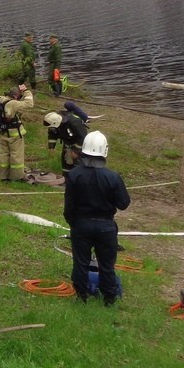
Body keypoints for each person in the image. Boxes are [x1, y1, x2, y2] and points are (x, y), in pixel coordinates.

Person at [63, 131, 131, 306]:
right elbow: (123, 203)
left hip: (81, 224)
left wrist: (75, 223)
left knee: (80, 262)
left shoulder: (74, 175)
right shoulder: (113, 177)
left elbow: (69, 206)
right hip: (105, 227)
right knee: (107, 265)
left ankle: (81, 296)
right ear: (104, 152)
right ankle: (109, 299)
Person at [0, 83, 34, 182]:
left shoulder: (0, 99)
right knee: (16, 155)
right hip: (14, 134)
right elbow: (29, 104)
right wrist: (26, 91)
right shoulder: (13, 103)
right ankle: (16, 177)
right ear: (16, 96)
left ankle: (4, 177)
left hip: (3, 132)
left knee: (4, 155)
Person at [44, 106, 89, 171]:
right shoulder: (54, 124)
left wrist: (76, 151)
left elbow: (82, 136)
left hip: (78, 142)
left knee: (77, 161)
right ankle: (66, 177)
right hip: (67, 141)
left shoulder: (74, 122)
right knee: (65, 161)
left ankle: (79, 176)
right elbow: (52, 134)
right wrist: (51, 147)